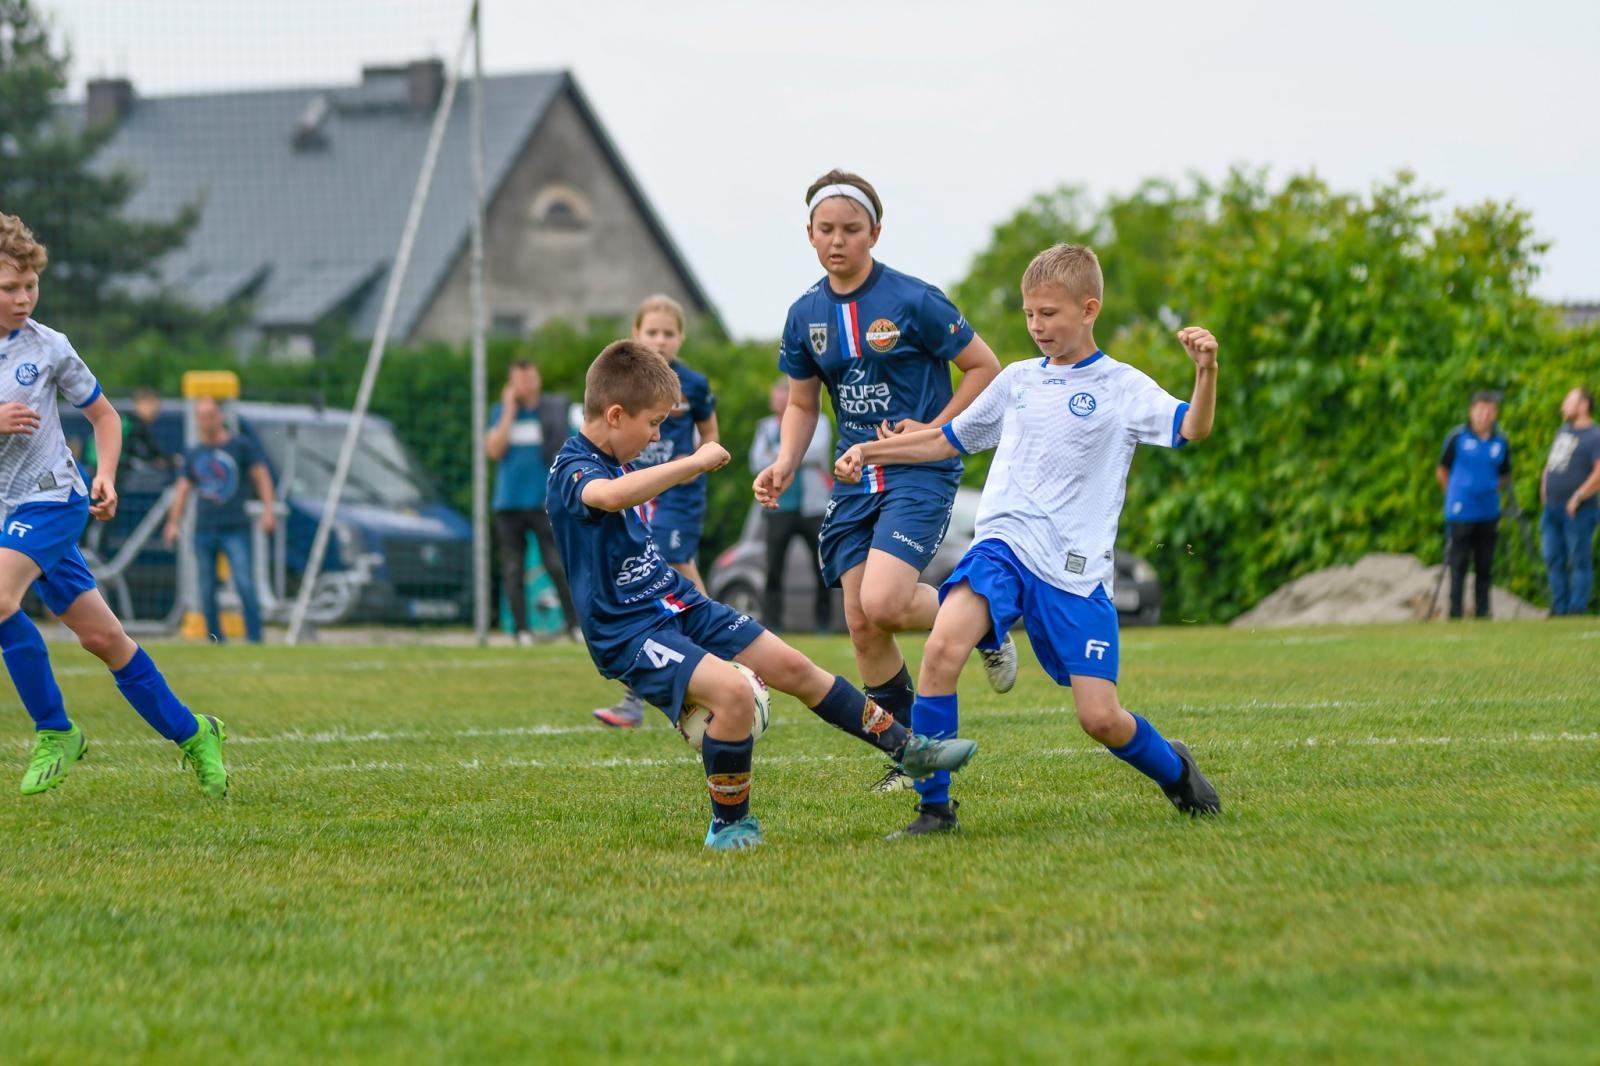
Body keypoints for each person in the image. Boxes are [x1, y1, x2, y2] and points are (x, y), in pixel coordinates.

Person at [835, 244, 1221, 836]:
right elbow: (946, 440)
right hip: (1002, 549)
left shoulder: (1120, 386)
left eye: (1050, 314)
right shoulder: (1016, 381)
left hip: (1074, 571)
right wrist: (870, 451)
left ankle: (1176, 771)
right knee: (941, 650)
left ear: (1088, 309)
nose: (1037, 327)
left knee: (1100, 719)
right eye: (1029, 315)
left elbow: (1191, 429)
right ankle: (935, 810)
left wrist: (1205, 372)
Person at [546, 340, 977, 849]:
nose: (657, 435)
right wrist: (695, 461)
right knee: (732, 695)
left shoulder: (614, 456)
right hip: (629, 630)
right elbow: (610, 497)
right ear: (615, 415)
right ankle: (730, 825)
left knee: (793, 666)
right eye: (653, 423)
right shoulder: (575, 469)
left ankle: (909, 750)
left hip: (676, 601)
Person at [753, 169, 1003, 793]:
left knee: (886, 602)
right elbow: (803, 405)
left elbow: (984, 368)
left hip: (919, 470)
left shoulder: (915, 300)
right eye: (826, 229)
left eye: (851, 229)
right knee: (865, 626)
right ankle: (910, 753)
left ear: (876, 233)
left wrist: (933, 430)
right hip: (853, 477)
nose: (838, 241)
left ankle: (985, 616)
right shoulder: (805, 314)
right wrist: (786, 461)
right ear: (809, 234)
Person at [0, 211, 228, 797]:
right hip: (7, 514)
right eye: (10, 289)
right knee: (104, 640)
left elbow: (104, 415)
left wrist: (106, 474)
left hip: (52, 498)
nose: (24, 298)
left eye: (31, 286)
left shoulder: (49, 348)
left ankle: (56, 731)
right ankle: (195, 732)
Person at [593, 295, 717, 727]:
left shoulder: (695, 385)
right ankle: (718, 648)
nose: (660, 340)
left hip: (678, 495)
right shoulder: (625, 385)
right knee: (660, 578)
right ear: (636, 333)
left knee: (668, 565)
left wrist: (694, 464)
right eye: (652, 332)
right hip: (636, 493)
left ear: (681, 337)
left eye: (668, 333)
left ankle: (717, 654)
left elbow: (710, 436)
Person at [162, 396, 275, 644]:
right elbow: (182, 490)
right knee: (206, 588)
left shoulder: (241, 446)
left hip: (235, 527)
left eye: (209, 416)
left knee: (245, 583)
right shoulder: (195, 453)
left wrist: (269, 511)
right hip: (204, 529)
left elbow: (261, 476)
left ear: (220, 417)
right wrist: (173, 523)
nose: (205, 422)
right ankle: (215, 639)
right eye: (201, 417)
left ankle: (255, 638)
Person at [486, 358, 580, 645]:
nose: (525, 385)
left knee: (555, 563)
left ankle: (574, 625)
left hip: (543, 503)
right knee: (513, 568)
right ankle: (522, 630)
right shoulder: (501, 413)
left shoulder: (552, 414)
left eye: (529, 378)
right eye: (519, 379)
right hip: (509, 505)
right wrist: (509, 411)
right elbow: (494, 450)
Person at [749, 376, 832, 633]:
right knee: (774, 568)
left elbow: (816, 452)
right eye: (777, 395)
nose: (781, 400)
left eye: (786, 395)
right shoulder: (764, 427)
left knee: (822, 566)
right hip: (778, 506)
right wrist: (791, 453)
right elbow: (756, 462)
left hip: (813, 507)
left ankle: (824, 625)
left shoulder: (819, 421)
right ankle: (773, 624)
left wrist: (780, 455)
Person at [1435, 391, 1510, 619]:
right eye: (1480, 409)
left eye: (1489, 410)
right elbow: (1442, 470)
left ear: (1495, 413)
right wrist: (1455, 495)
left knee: (1484, 565)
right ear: (1471, 411)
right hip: (1461, 512)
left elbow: (1504, 474)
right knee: (1458, 565)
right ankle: (1455, 612)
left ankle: (1483, 612)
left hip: (1488, 511)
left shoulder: (1500, 441)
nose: (1484, 414)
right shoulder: (1457, 437)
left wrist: (1487, 490)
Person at [1540, 387, 1600, 615]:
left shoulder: (1595, 435)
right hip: (1552, 507)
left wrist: (1578, 496)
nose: (1563, 406)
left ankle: (1577, 608)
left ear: (1584, 405)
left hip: (1579, 510)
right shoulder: (1563, 431)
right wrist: (1544, 485)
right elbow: (1552, 462)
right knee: (1553, 557)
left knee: (1578, 559)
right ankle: (1559, 607)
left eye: (1569, 401)